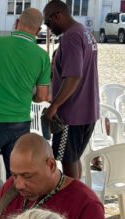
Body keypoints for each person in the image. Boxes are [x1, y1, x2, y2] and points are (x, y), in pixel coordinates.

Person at [0, 7, 50, 176]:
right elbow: (42, 96)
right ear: (38, 31)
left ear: (16, 23)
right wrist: (28, 94)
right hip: (20, 123)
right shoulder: (42, 56)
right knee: (17, 175)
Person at [43, 0, 100, 179]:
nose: (48, 28)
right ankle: (78, 192)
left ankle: (74, 196)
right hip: (88, 111)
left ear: (57, 15)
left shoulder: (71, 37)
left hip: (72, 114)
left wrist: (54, 106)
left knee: (68, 163)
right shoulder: (84, 32)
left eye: (48, 22)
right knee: (73, 159)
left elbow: (74, 76)